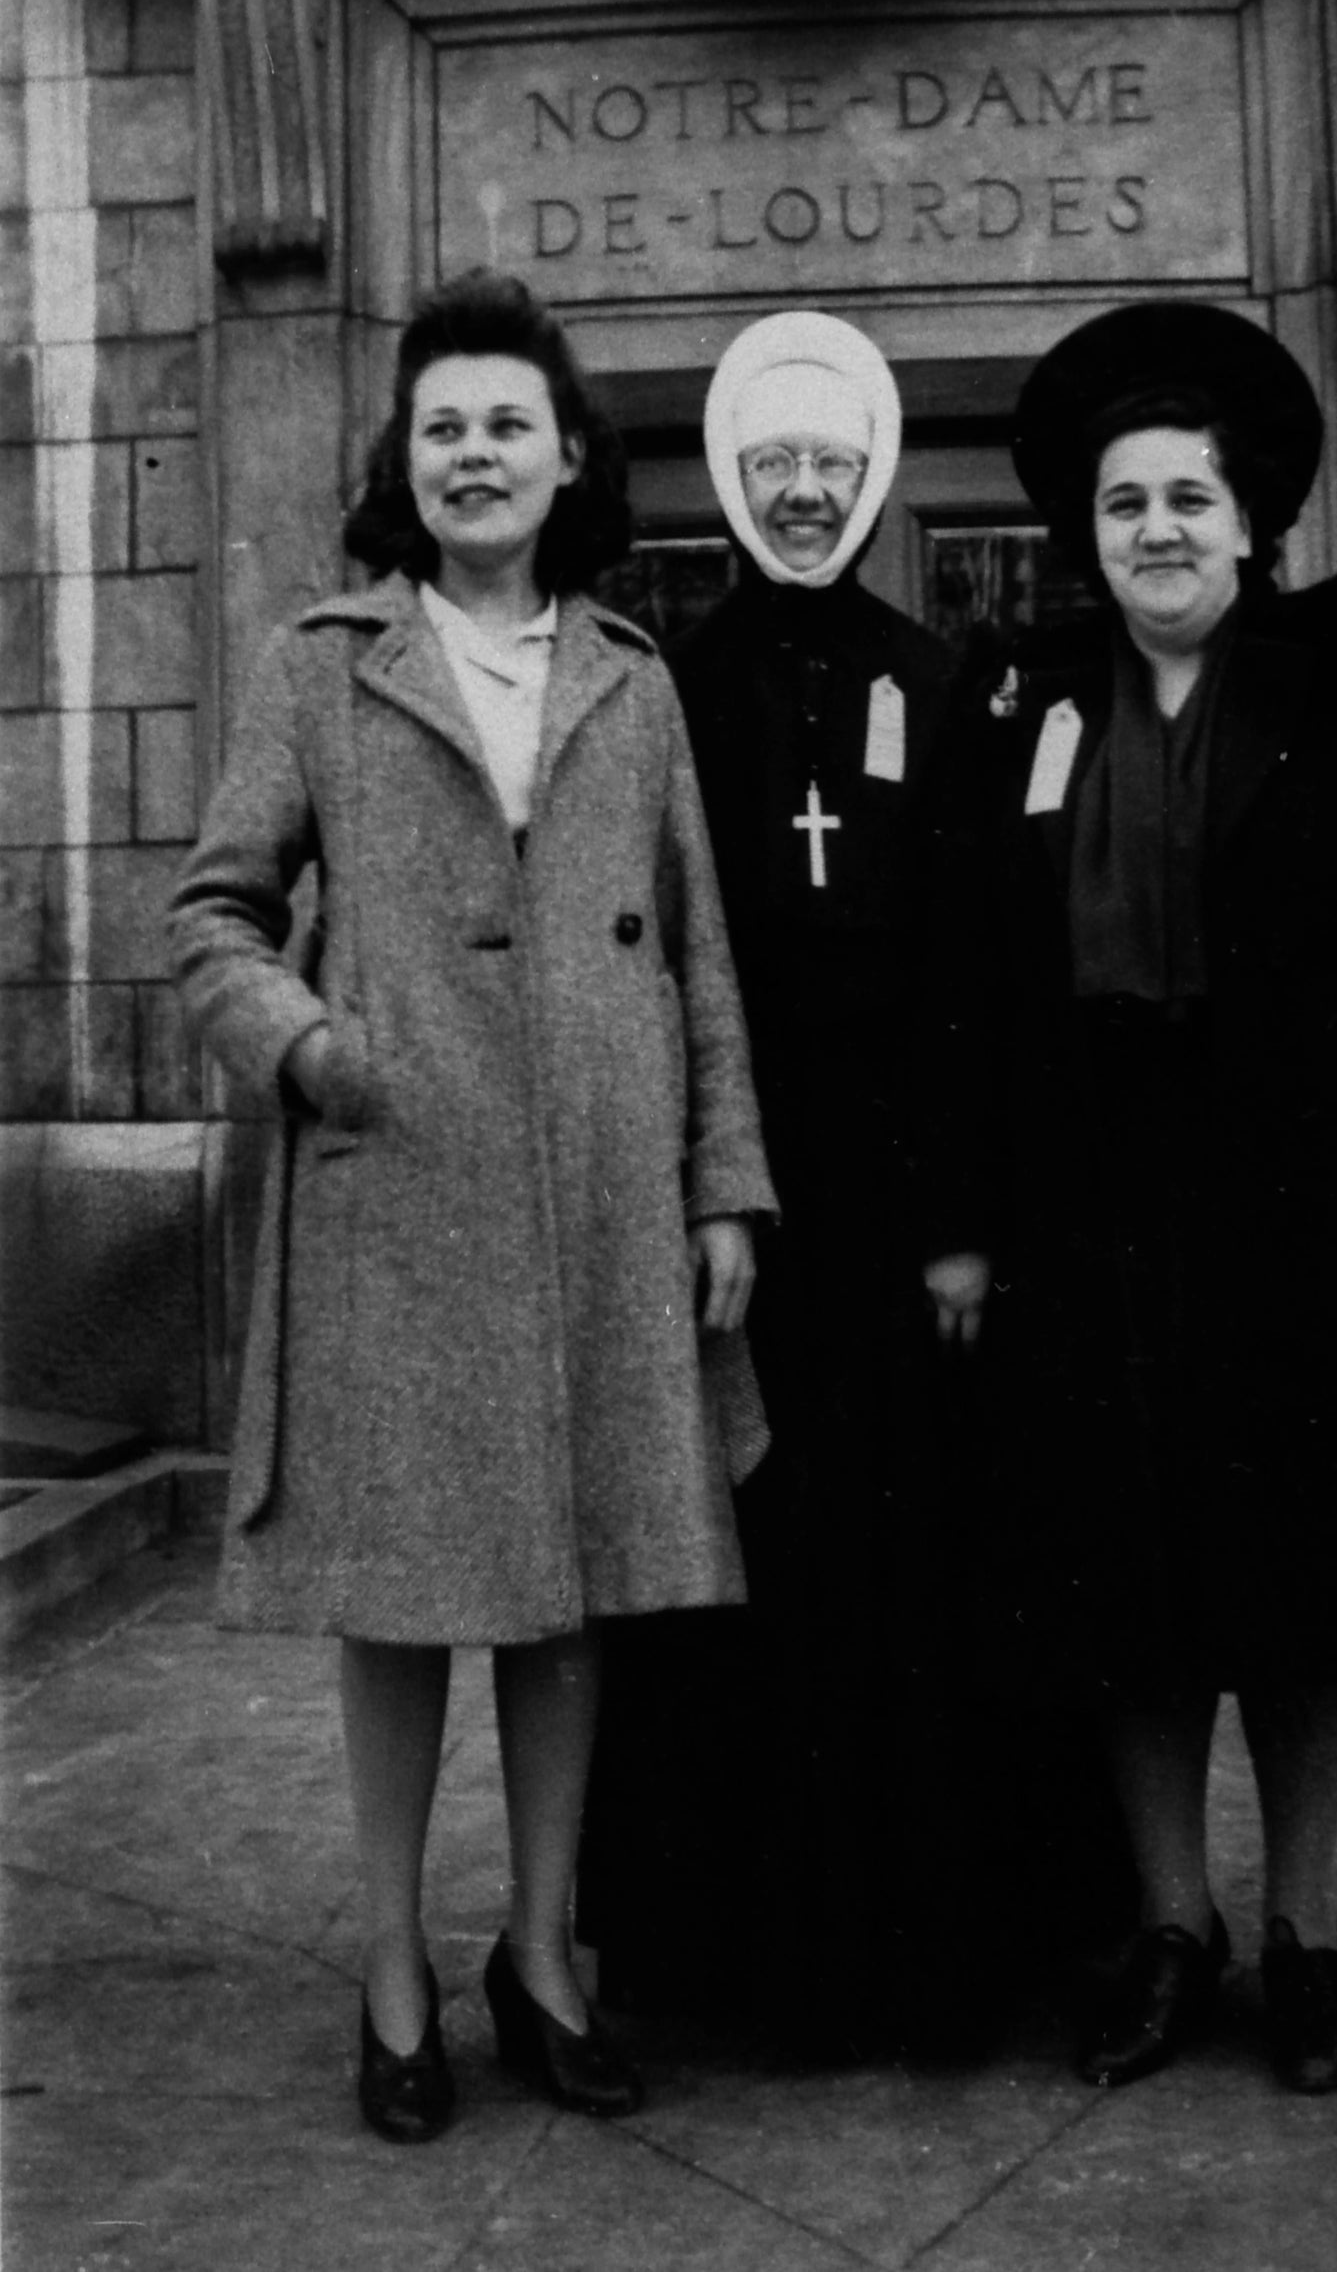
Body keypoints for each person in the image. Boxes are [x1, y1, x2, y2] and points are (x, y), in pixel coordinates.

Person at [169, 271, 776, 2143]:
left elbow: (696, 953)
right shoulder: (320, 660)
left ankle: (541, 1957)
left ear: (570, 456)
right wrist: (315, 1050)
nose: (473, 452)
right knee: (405, 1601)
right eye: (442, 426)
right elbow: (210, 916)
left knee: (570, 1590)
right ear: (403, 463)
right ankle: (392, 1975)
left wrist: (721, 1180)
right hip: (398, 1193)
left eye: (508, 421)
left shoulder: (633, 675)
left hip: (599, 1198)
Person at [581, 310, 1130, 2055]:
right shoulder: (662, 685)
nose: (803, 494)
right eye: (771, 468)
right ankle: (734, 1968)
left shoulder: (942, 676)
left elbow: (981, 967)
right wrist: (683, 1182)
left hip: (900, 1215)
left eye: (829, 466)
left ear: (872, 475)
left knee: (916, 1572)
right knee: (733, 1566)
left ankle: (933, 1962)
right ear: (730, 484)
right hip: (736, 1205)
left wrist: (966, 1221)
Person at [920, 300, 1337, 2097]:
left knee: (1300, 1578)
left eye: (1186, 501)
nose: (1154, 529)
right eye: (1124, 503)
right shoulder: (1032, 696)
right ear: (1089, 531)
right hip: (1090, 1206)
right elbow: (980, 980)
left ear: (1249, 523)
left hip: (1292, 1200)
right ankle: (1172, 1919)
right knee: (1119, 1583)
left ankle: (1300, 1926)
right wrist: (970, 1219)